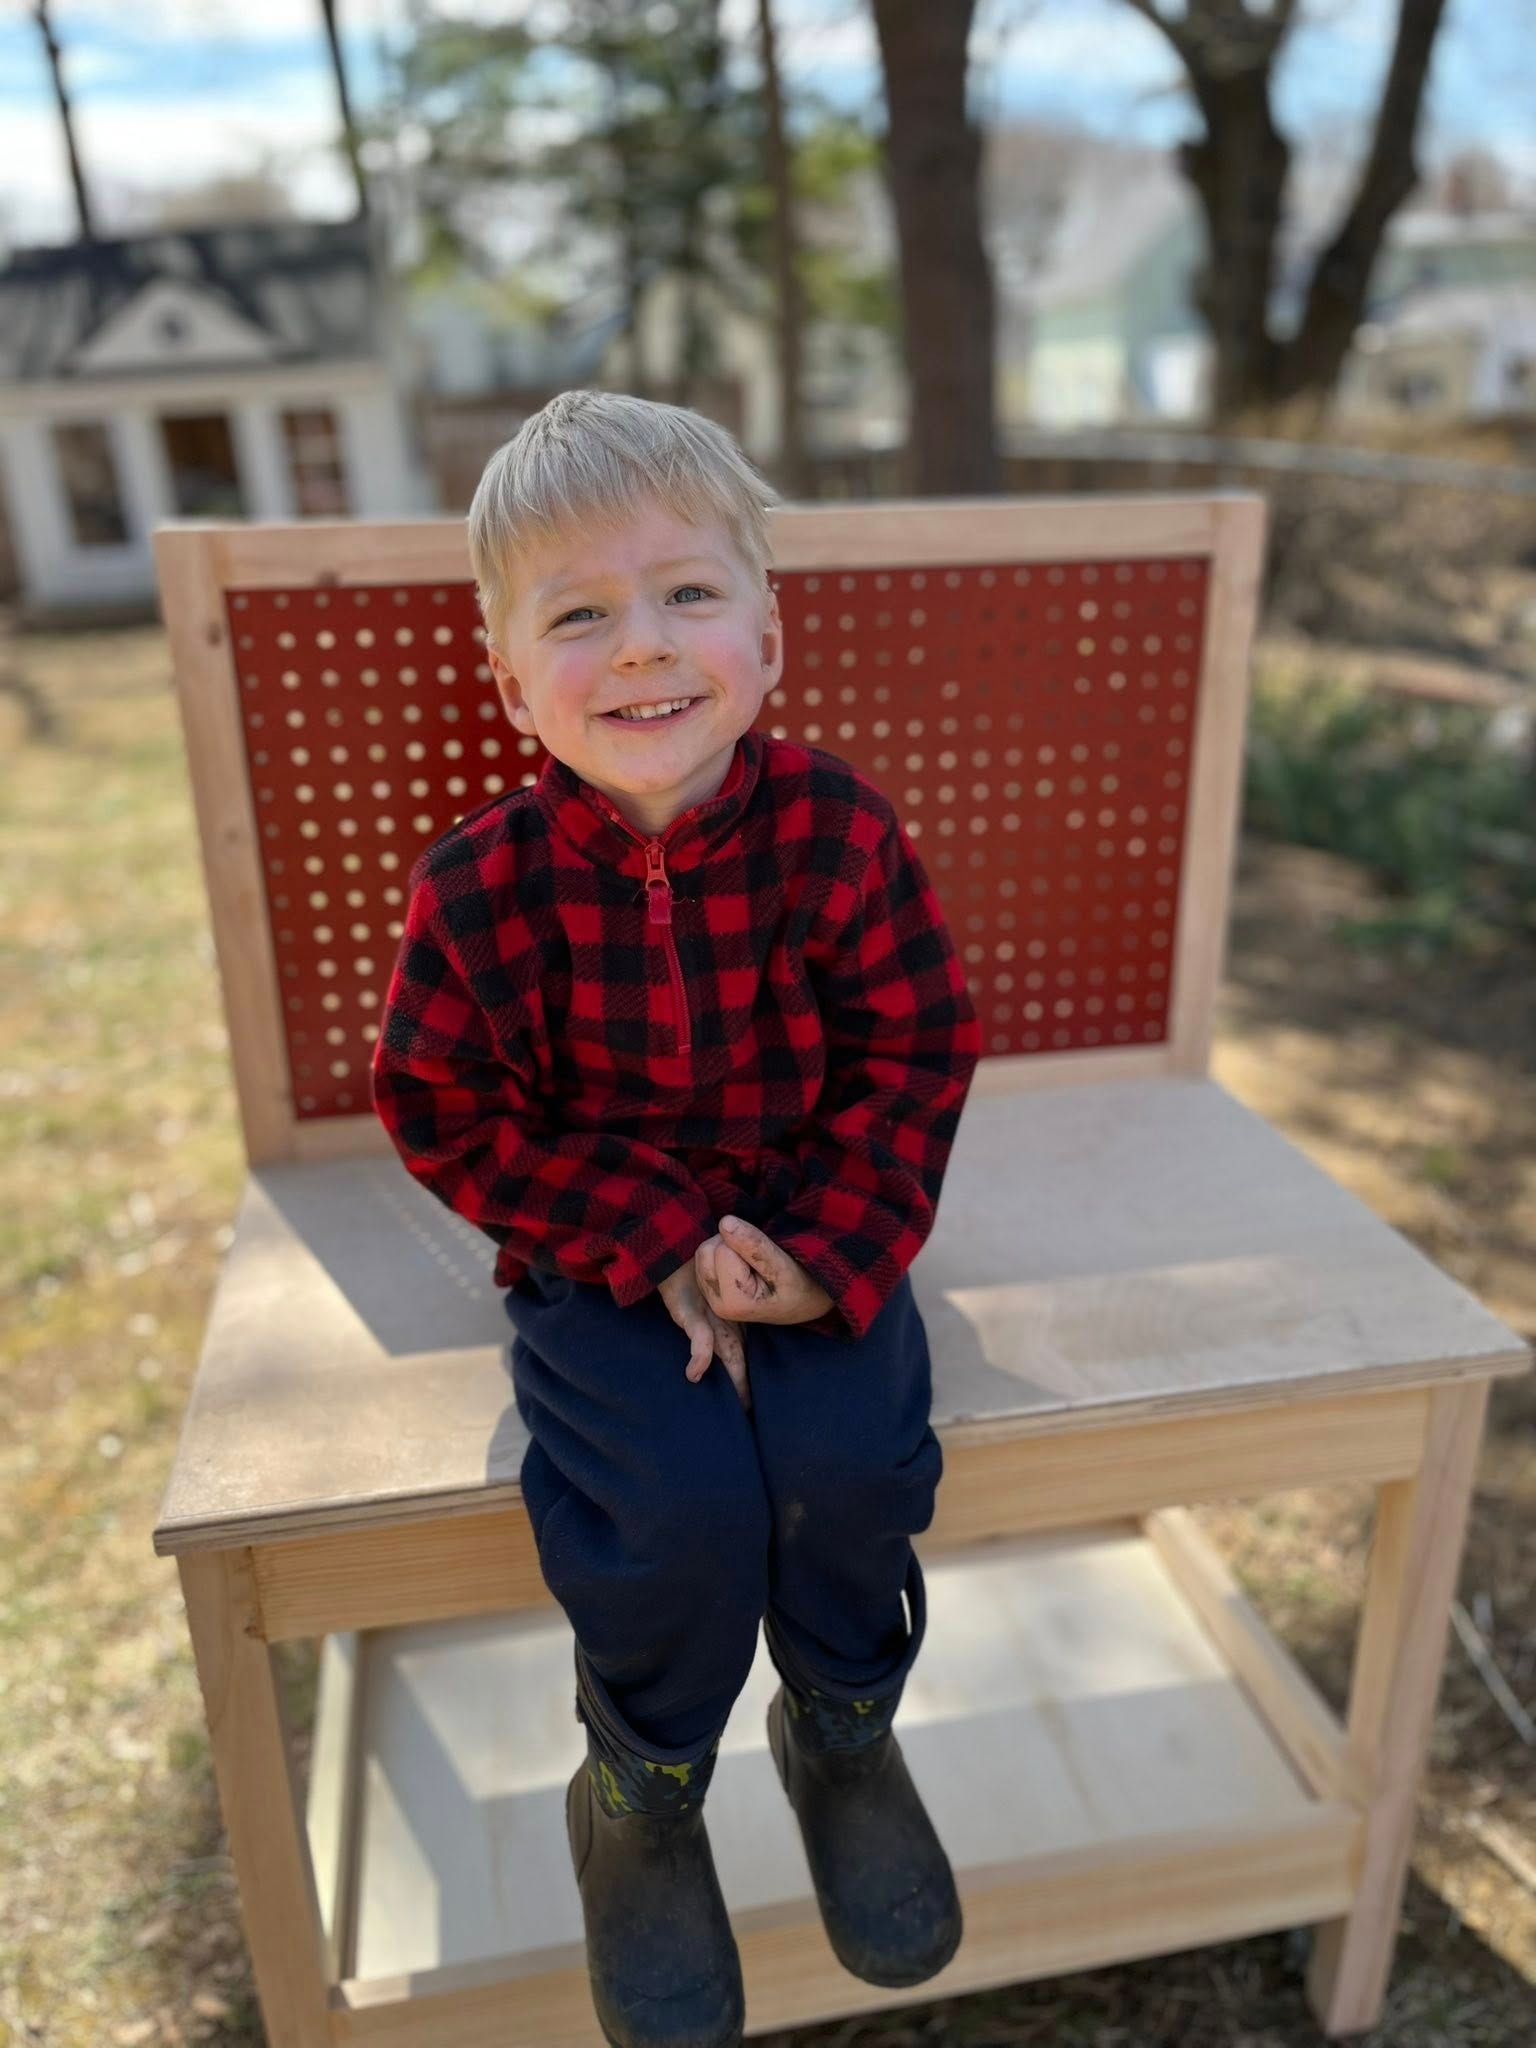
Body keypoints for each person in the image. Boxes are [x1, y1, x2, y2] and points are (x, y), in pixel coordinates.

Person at [370, 388, 981, 2048]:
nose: (641, 643)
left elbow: (916, 1046)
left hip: (812, 1225)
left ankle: (842, 1728)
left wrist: (830, 1255)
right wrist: (645, 1238)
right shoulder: (479, 889)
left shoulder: (837, 830)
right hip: (602, 1260)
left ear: (766, 641)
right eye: (579, 614)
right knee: (677, 1508)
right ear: (512, 682)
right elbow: (442, 1105)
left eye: (687, 594)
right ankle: (641, 1789)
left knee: (857, 1466)